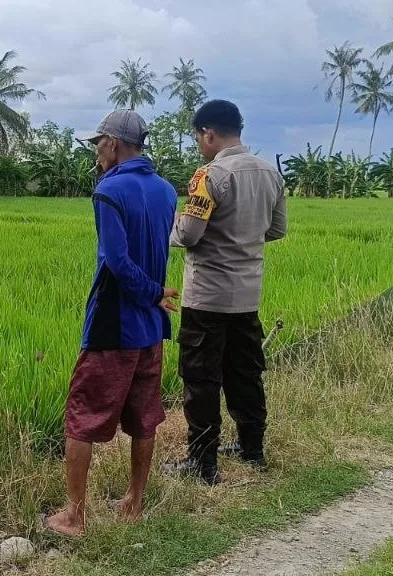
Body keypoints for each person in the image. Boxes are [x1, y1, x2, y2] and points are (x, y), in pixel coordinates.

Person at [43, 110, 179, 537]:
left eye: (98, 143)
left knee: (82, 414)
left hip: (114, 324)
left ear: (114, 143)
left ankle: (74, 516)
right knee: (144, 415)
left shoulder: (109, 190)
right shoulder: (166, 190)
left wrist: (152, 292)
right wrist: (155, 297)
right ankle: (134, 504)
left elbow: (117, 262)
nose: (96, 151)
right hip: (151, 327)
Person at [166, 99, 287, 486]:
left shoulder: (210, 175)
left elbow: (189, 234)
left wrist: (171, 223)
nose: (199, 144)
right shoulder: (270, 173)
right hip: (247, 295)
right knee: (245, 374)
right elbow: (277, 229)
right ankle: (253, 450)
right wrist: (243, 236)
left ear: (208, 133)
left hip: (207, 296)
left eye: (197, 137)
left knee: (201, 378)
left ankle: (202, 463)